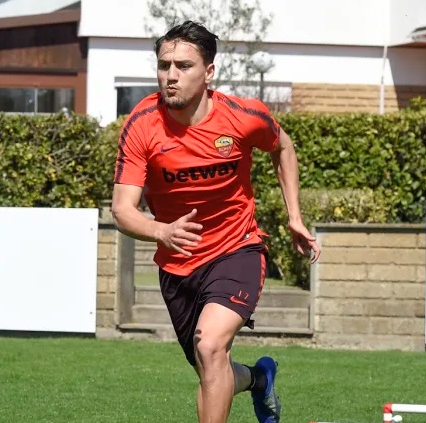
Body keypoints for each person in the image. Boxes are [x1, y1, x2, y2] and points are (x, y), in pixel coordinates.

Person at [110, 19, 320, 423]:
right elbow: (122, 208)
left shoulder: (242, 116)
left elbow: (283, 147)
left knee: (209, 348)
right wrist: (161, 231)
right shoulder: (142, 124)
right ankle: (259, 379)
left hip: (236, 249)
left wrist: (294, 216)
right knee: (212, 368)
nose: (171, 75)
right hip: (177, 264)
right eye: (164, 65)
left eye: (183, 66)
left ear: (208, 73)